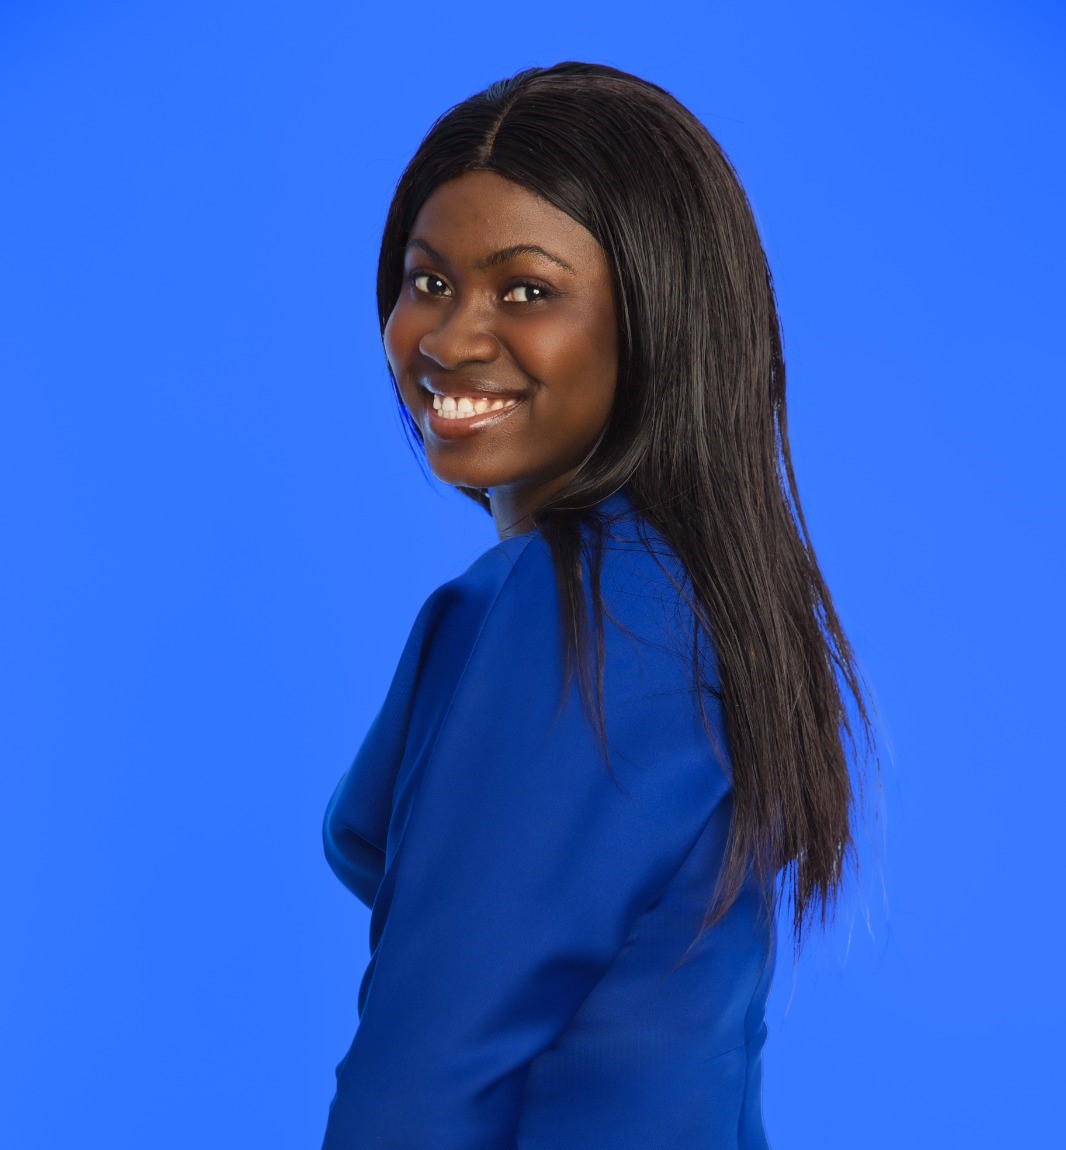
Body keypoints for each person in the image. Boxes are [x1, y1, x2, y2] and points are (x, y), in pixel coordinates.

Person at [319, 60, 881, 1149]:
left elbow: (421, 1083)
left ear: (655, 316)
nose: (449, 339)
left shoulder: (573, 610)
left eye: (524, 290)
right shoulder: (698, 597)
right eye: (427, 279)